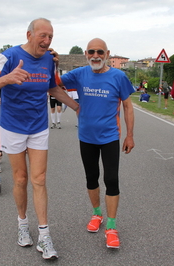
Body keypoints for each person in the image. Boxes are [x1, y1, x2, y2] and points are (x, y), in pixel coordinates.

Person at [0, 18, 79, 260]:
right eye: (42, 35)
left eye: (51, 37)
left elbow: (53, 88)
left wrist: (78, 107)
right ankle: (22, 224)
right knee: (20, 178)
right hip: (13, 127)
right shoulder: (8, 57)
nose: (47, 41)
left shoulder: (48, 60)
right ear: (29, 34)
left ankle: (44, 236)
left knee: (40, 179)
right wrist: (6, 78)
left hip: (38, 127)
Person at [59, 38, 135, 249]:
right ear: (86, 53)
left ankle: (111, 227)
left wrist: (130, 135)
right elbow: (55, 84)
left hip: (110, 136)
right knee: (91, 178)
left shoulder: (118, 76)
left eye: (100, 52)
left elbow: (128, 107)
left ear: (107, 54)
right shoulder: (79, 74)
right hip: (86, 137)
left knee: (111, 179)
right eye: (91, 52)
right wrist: (52, 63)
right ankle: (97, 214)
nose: (95, 56)